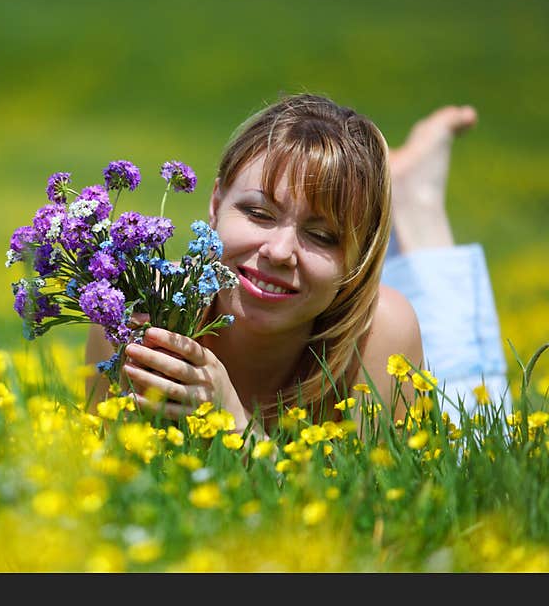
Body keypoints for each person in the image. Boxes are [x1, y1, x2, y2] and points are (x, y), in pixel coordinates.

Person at [85, 93, 507, 437]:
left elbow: (368, 518)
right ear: (215, 203)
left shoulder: (381, 332)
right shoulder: (139, 311)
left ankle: (418, 203)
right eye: (259, 213)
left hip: (423, 384)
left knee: (478, 416)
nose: (280, 250)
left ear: (356, 260)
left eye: (322, 236)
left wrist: (233, 421)